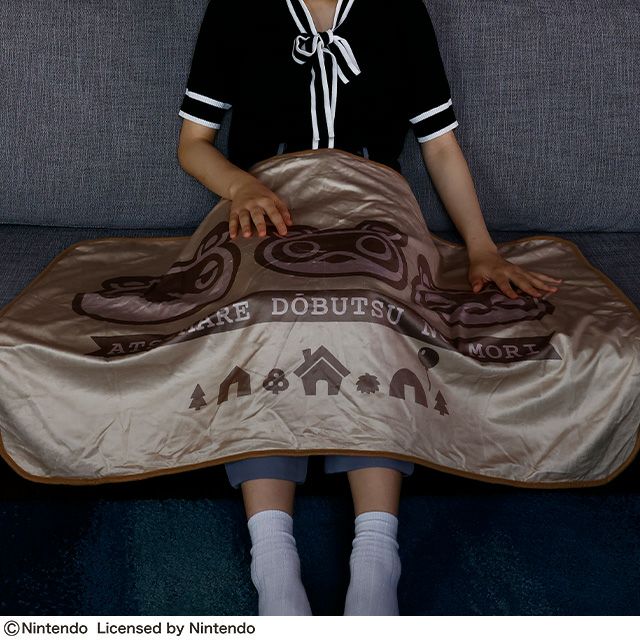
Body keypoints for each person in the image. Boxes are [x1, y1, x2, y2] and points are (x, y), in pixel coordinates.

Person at [176, 0, 563, 616]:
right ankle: (272, 559)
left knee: (373, 304)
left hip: (373, 204)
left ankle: (377, 555)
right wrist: (241, 186)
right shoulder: (235, 9)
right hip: (266, 202)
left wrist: (482, 249)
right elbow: (194, 144)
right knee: (262, 307)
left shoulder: (400, 11)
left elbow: (440, 146)